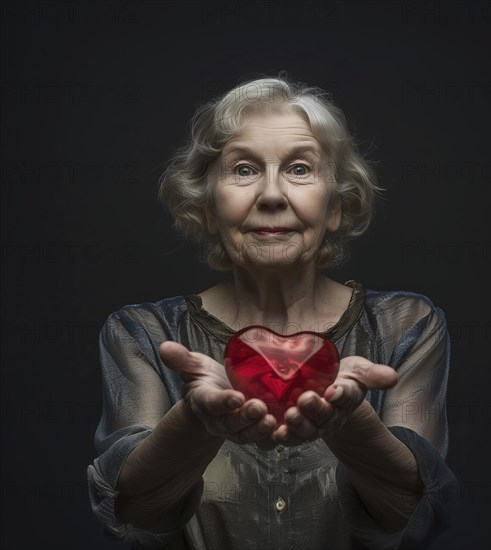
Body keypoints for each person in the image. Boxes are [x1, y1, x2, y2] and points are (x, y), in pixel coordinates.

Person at [87, 76, 458, 550]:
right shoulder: (142, 334)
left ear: (337, 206)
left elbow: (414, 513)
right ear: (205, 208)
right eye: (243, 169)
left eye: (300, 169)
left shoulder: (409, 326)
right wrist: (196, 424)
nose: (271, 195)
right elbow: (133, 510)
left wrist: (350, 422)